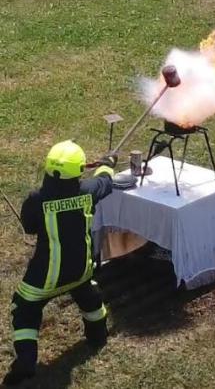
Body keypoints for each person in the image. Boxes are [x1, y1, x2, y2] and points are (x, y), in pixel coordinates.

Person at [4, 141, 115, 386]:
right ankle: (97, 336)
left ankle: (26, 359)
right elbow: (106, 182)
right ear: (77, 171)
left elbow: (29, 228)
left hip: (46, 276)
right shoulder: (88, 190)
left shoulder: (36, 199)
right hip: (80, 270)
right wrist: (107, 164)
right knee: (89, 297)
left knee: (24, 307)